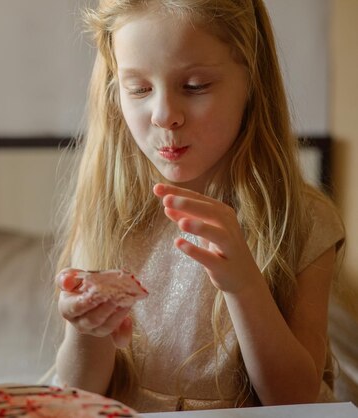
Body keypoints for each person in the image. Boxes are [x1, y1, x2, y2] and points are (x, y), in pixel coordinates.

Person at [54, 0, 345, 412]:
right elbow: (74, 396)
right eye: (138, 88)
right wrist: (86, 329)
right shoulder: (109, 212)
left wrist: (244, 284)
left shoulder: (304, 222)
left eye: (194, 86)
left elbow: (294, 398)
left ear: (252, 81)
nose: (164, 115)